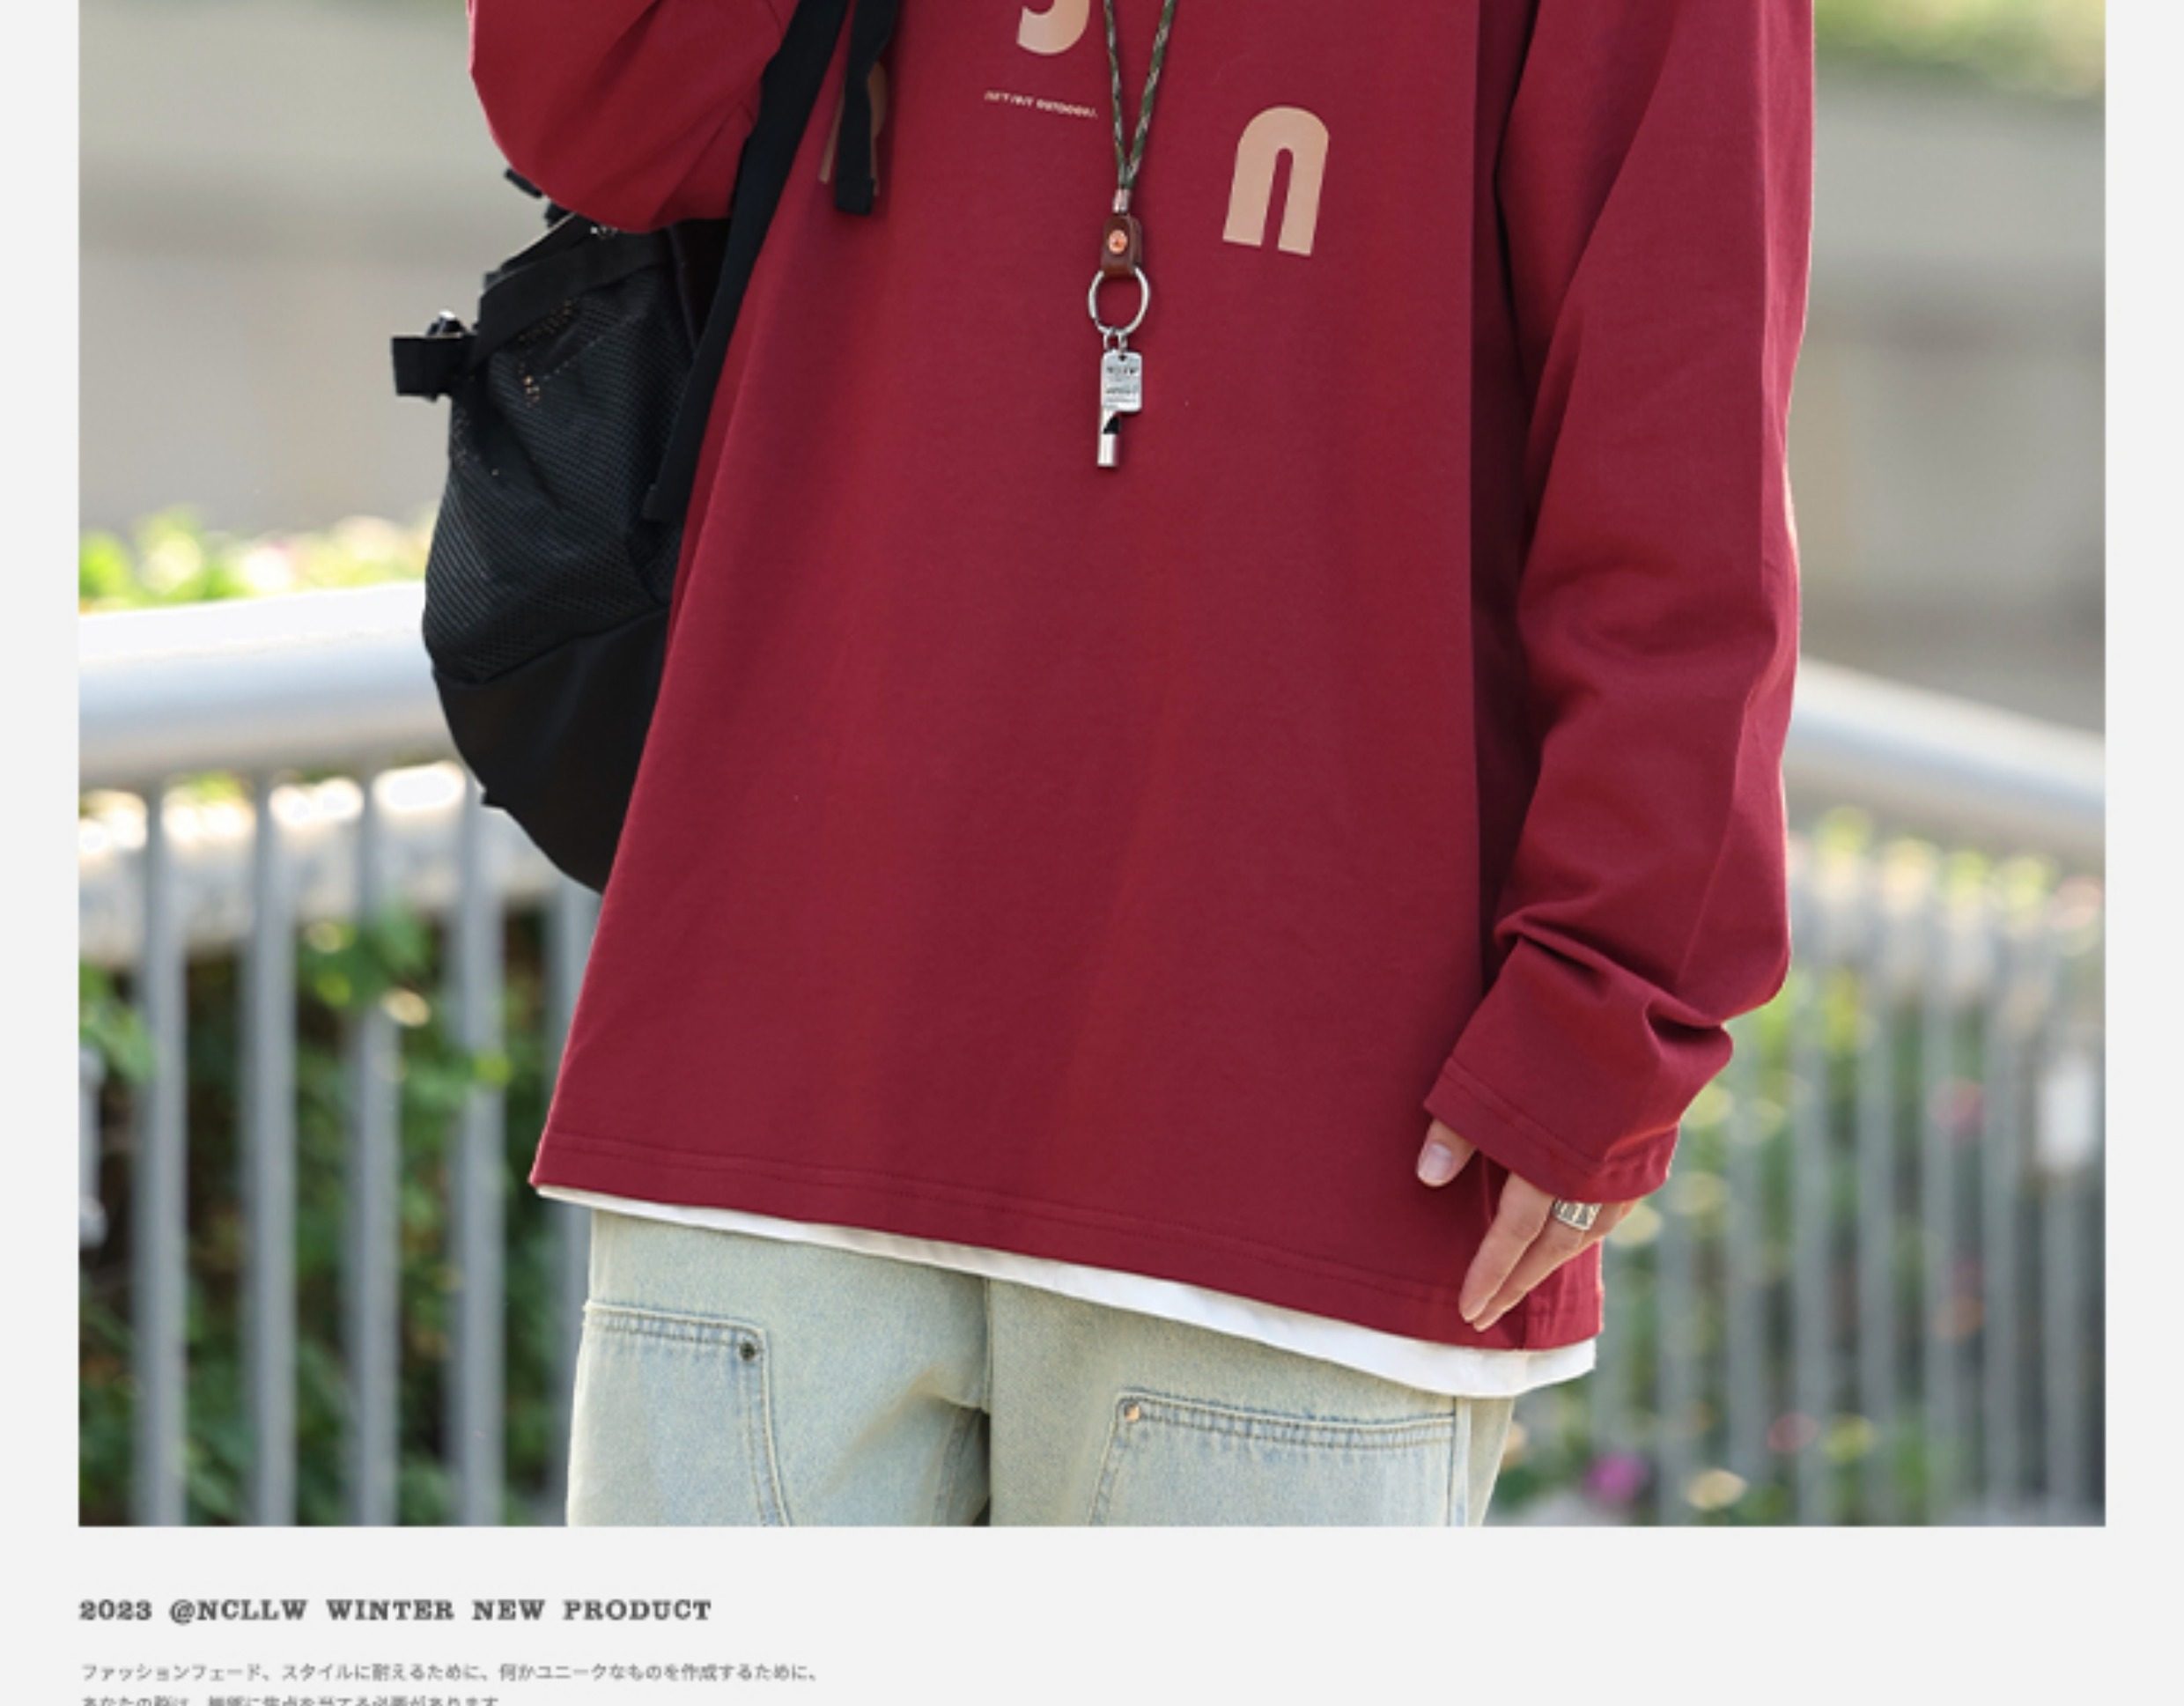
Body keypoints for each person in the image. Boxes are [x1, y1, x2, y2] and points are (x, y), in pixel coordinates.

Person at [463, 0, 1814, 1525]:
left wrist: (1610, 1004)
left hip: (1302, 1127)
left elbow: (1677, 443)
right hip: (773, 1059)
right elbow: (597, 113)